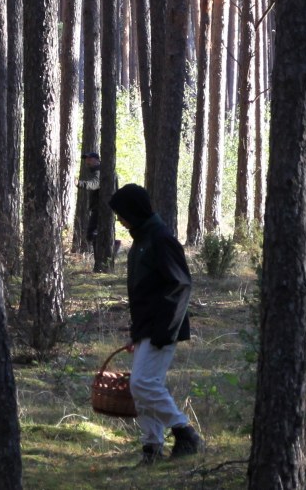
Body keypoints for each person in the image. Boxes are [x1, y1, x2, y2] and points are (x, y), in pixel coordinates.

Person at [108, 184, 202, 463]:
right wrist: (136, 332)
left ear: (134, 211)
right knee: (144, 389)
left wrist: (166, 330)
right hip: (146, 328)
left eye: (121, 214)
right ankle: (151, 448)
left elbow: (181, 284)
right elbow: (143, 293)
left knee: (143, 385)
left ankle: (185, 432)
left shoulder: (160, 239)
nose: (120, 221)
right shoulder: (141, 241)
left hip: (162, 329)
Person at [77, 152, 102, 250]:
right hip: (99, 207)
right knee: (95, 233)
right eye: (86, 159)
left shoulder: (99, 171)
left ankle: (112, 247)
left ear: (96, 160)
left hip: (101, 208)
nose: (87, 161)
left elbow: (94, 184)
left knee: (92, 233)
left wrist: (79, 183)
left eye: (90, 159)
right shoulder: (97, 170)